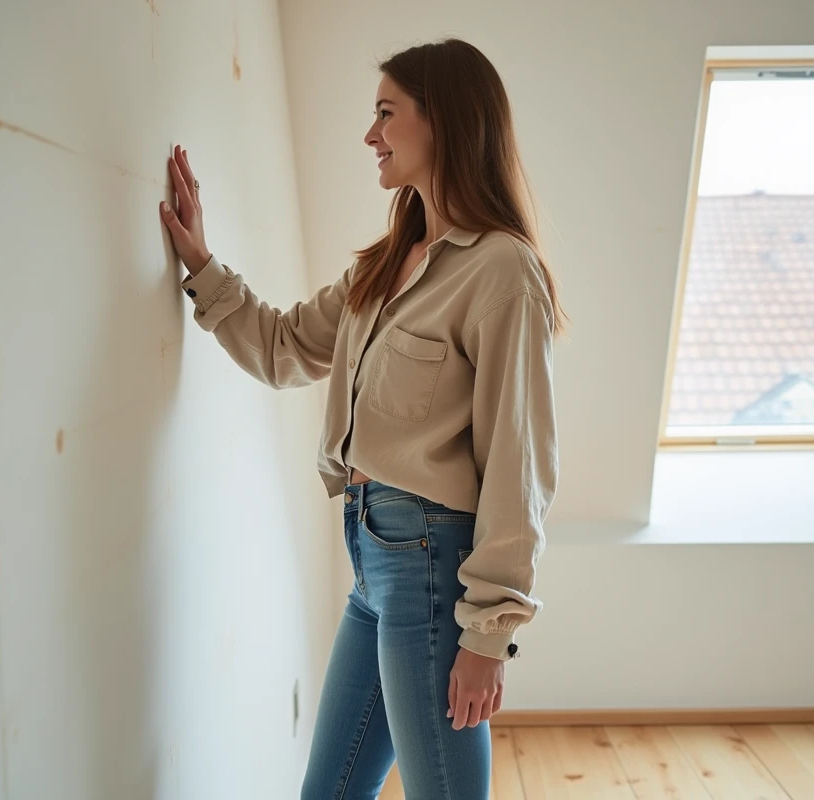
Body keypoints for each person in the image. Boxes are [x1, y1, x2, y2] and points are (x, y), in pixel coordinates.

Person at [160, 37, 563, 800]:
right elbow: (281, 347)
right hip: (373, 559)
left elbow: (520, 463)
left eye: (386, 113)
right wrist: (199, 261)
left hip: (433, 565)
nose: (370, 134)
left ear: (441, 120)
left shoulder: (504, 273)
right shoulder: (383, 265)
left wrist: (488, 634)